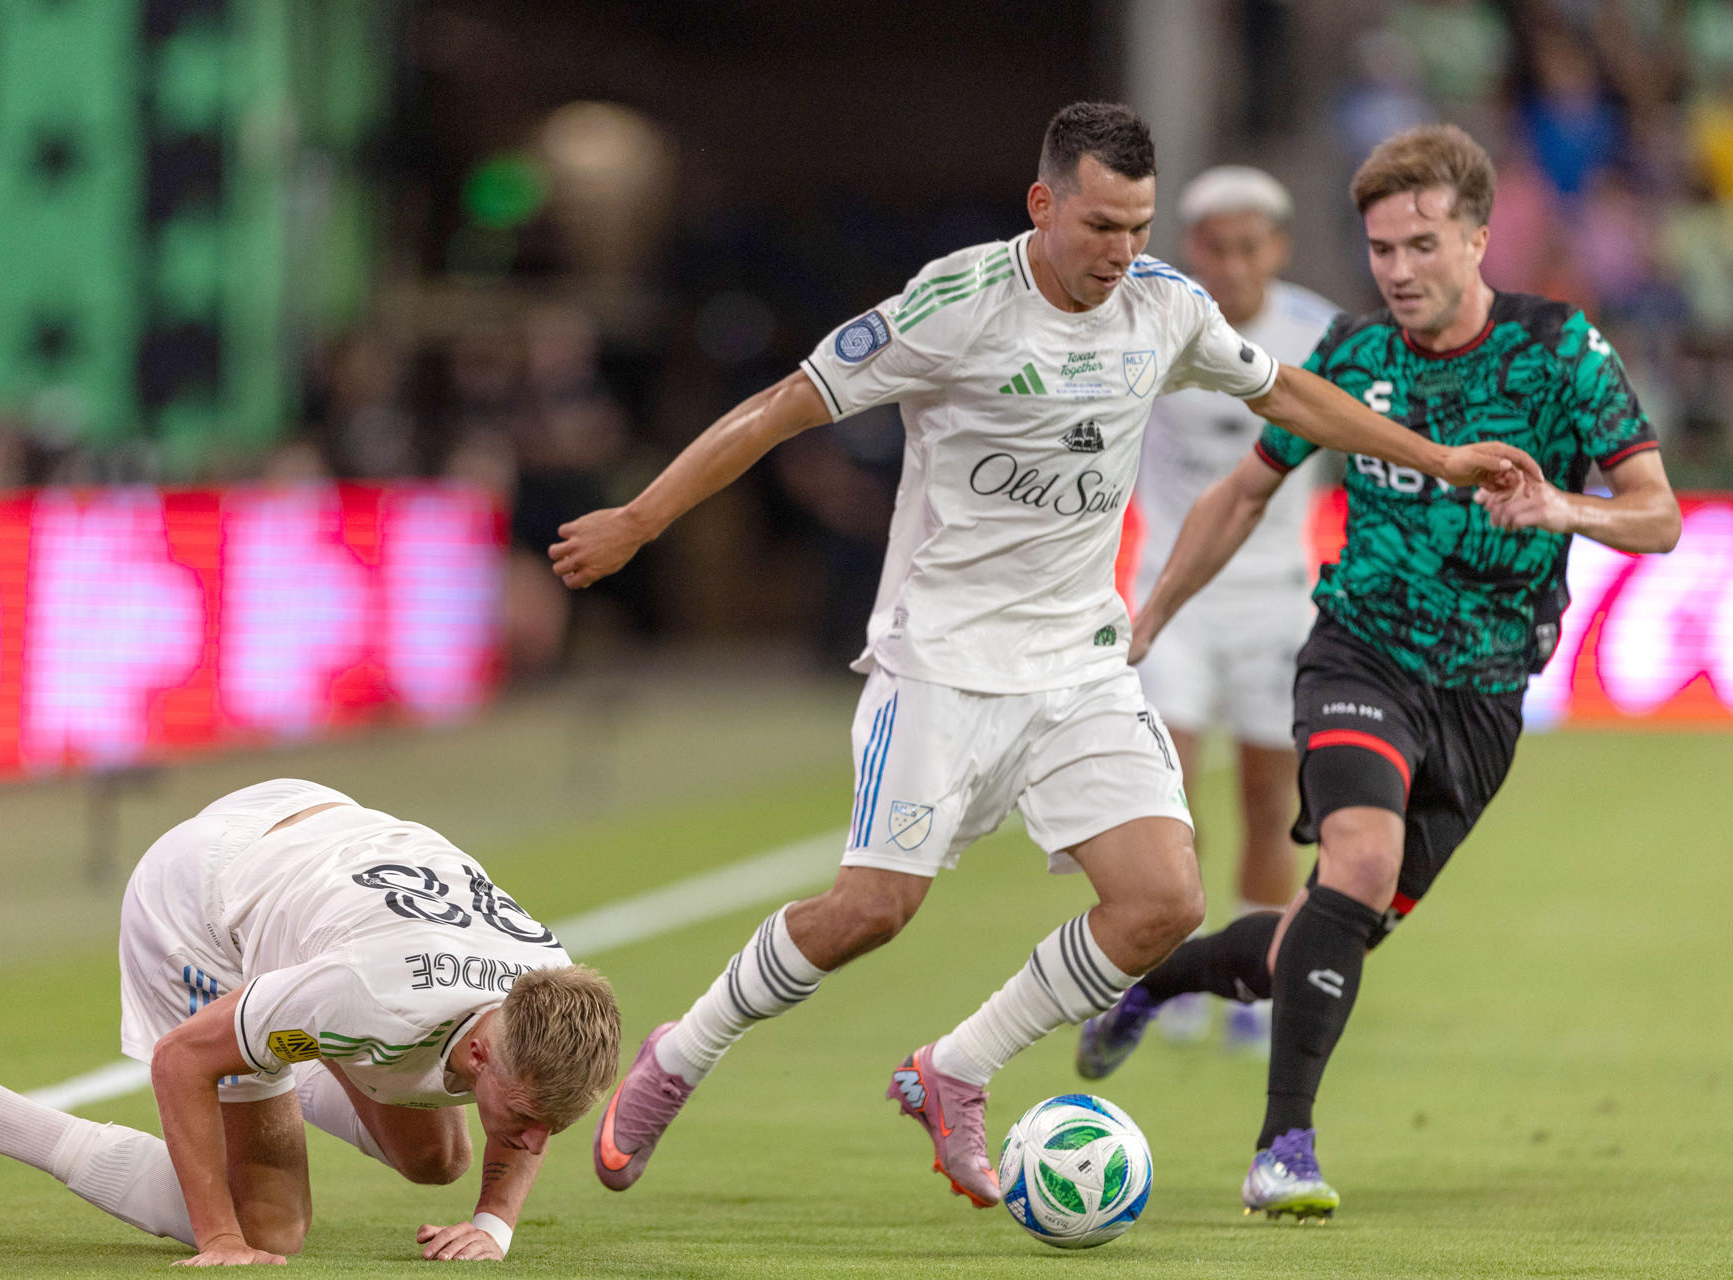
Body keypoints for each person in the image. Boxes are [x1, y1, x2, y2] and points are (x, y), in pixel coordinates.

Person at [547, 102, 1535, 1210]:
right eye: (1101, 225)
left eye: (1139, 226)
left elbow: (1286, 391)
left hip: (1080, 662)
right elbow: (784, 408)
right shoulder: (953, 304)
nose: (1122, 250)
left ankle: (956, 1067)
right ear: (1042, 203)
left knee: (1163, 901)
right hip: (943, 662)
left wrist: (1435, 455)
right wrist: (640, 518)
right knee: (872, 910)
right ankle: (683, 1052)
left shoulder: (1165, 306)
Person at [1077, 123, 1681, 1222]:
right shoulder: (1353, 355)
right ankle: (1283, 1149)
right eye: (1381, 248)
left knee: (1325, 931)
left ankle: (1162, 977)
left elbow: (1660, 516)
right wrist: (1152, 613)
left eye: (1421, 244)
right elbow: (1244, 492)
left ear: (1478, 239)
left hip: (1484, 697)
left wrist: (1563, 507)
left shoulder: (1558, 350)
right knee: (1357, 860)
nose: (1397, 269)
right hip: (1359, 651)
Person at [0, 778, 622, 1264]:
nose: (535, 1140)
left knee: (436, 1158)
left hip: (312, 829)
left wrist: (492, 1225)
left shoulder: (545, 988)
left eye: (552, 1125)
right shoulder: (374, 996)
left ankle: (279, 1039)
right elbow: (180, 1061)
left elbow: (535, 1096)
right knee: (270, 1228)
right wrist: (221, 1239)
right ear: (482, 1052)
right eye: (528, 1118)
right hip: (198, 901)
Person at [1115, 165, 1341, 1055]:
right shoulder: (1144, 323)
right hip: (1169, 595)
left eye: (1251, 246)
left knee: (1266, 794)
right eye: (1217, 247)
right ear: (1192, 248)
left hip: (1275, 597)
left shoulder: (1320, 332)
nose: (1235, 264)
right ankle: (1177, 960)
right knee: (1165, 788)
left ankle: (1255, 975)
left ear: (1277, 248)